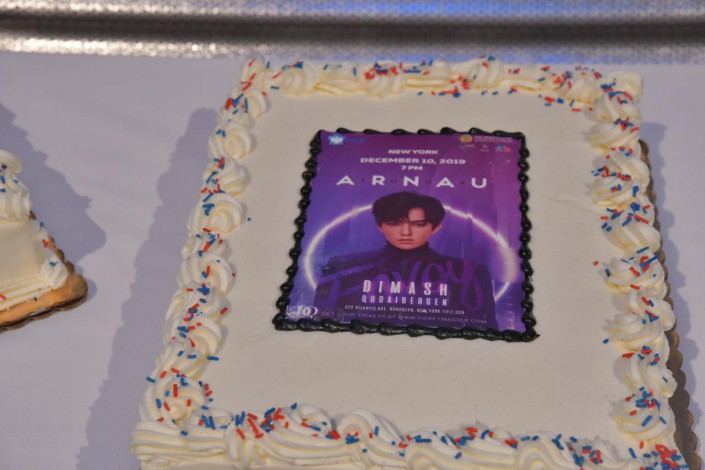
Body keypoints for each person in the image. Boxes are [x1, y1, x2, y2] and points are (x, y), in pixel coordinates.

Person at [312, 192, 497, 329]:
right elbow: (320, 325)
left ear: (435, 227)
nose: (406, 232)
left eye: (419, 224)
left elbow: (485, 332)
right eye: (394, 223)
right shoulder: (342, 267)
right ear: (380, 226)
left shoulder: (470, 272)